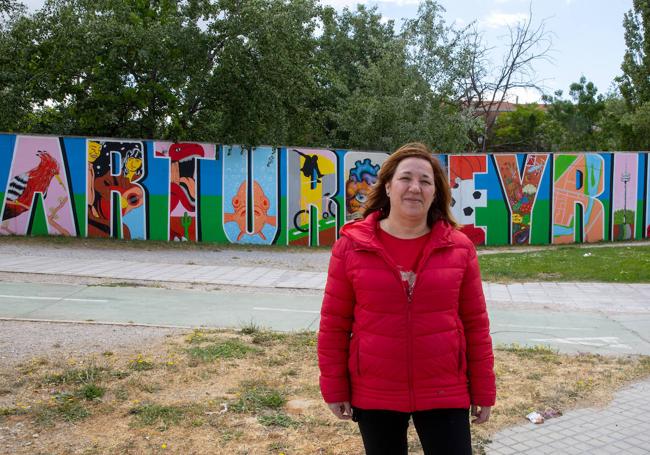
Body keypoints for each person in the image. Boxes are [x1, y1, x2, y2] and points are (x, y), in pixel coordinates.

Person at [317, 142, 496, 455]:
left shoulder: (460, 249)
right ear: (387, 186)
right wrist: (334, 387)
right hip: (375, 391)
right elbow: (334, 325)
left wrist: (483, 388)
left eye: (426, 181)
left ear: (436, 192)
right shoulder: (351, 247)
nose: (415, 188)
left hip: (445, 389)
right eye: (406, 178)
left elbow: (476, 325)